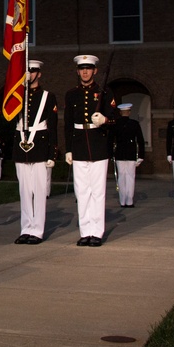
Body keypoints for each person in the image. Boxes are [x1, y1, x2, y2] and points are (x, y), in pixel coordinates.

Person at [64, 54, 119, 247]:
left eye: (88, 68)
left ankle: (96, 232)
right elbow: (68, 124)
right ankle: (85, 231)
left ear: (95, 70)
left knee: (97, 191)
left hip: (98, 145)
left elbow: (115, 118)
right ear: (78, 71)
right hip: (79, 145)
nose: (85, 71)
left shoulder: (104, 92)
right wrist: (68, 149)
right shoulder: (72, 94)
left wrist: (104, 120)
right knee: (82, 192)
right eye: (82, 68)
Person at [11, 60, 58, 245]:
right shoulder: (16, 96)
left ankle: (37, 230)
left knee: (39, 191)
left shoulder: (48, 96)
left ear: (39, 74)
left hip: (39, 145)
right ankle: (26, 228)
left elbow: (52, 126)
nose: (29, 74)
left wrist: (52, 153)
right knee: (24, 191)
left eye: (32, 71)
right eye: (26, 71)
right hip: (21, 145)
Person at [110, 103, 145, 207]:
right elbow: (140, 141)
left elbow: (110, 140)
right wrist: (141, 156)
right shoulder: (134, 123)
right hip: (130, 153)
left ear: (120, 112)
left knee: (122, 178)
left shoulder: (115, 123)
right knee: (130, 177)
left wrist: (111, 154)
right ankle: (129, 201)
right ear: (129, 112)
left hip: (120, 153)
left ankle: (123, 201)